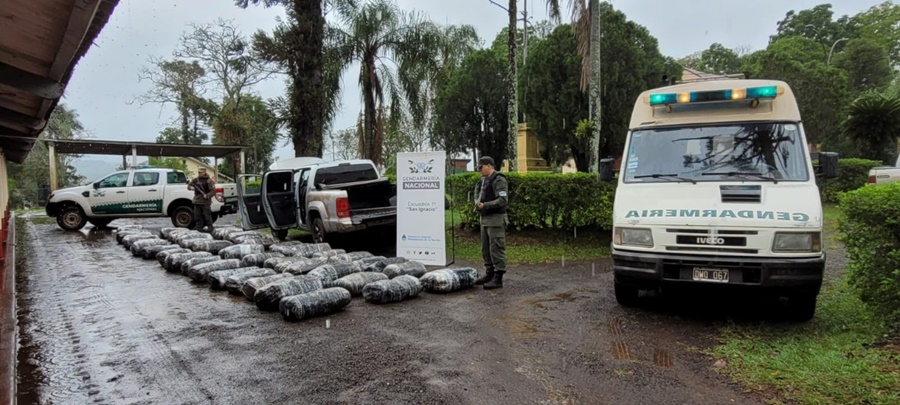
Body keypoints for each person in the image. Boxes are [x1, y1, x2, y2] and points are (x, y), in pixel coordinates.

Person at [473, 156, 508, 289]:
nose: (479, 170)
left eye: (481, 168)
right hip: (485, 219)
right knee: (486, 249)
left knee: (496, 248)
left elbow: (503, 200)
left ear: (489, 166)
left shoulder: (499, 179)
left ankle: (498, 278)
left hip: (496, 219)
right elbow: (478, 193)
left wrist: (485, 205)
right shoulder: (483, 180)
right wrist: (477, 203)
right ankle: (490, 273)